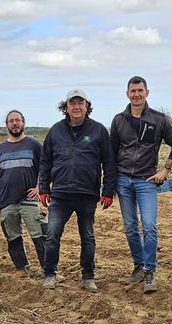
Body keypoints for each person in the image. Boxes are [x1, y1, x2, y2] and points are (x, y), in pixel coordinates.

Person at [38, 89, 116, 292]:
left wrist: (108, 191)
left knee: (87, 237)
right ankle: (50, 274)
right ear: (66, 107)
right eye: (72, 103)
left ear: (87, 106)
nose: (76, 107)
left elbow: (108, 162)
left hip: (87, 194)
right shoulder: (55, 130)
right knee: (53, 234)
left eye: (80, 103)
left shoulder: (98, 130)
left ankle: (88, 277)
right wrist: (44, 188)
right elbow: (45, 161)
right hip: (60, 194)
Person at [109, 75, 172, 293]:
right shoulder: (119, 120)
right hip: (123, 180)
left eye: (140, 91)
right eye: (133, 91)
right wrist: (109, 184)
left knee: (149, 226)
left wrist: (165, 169)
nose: (136, 94)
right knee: (130, 227)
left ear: (147, 93)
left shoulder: (159, 119)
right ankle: (138, 267)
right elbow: (111, 153)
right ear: (127, 94)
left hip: (146, 180)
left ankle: (150, 271)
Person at [0, 109, 46, 277]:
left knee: (40, 234)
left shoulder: (34, 144)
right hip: (6, 200)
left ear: (23, 122)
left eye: (18, 120)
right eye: (11, 121)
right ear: (6, 125)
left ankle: (48, 268)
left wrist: (40, 187)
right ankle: (21, 268)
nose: (15, 123)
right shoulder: (1, 148)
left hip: (29, 199)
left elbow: (45, 167)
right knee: (12, 236)